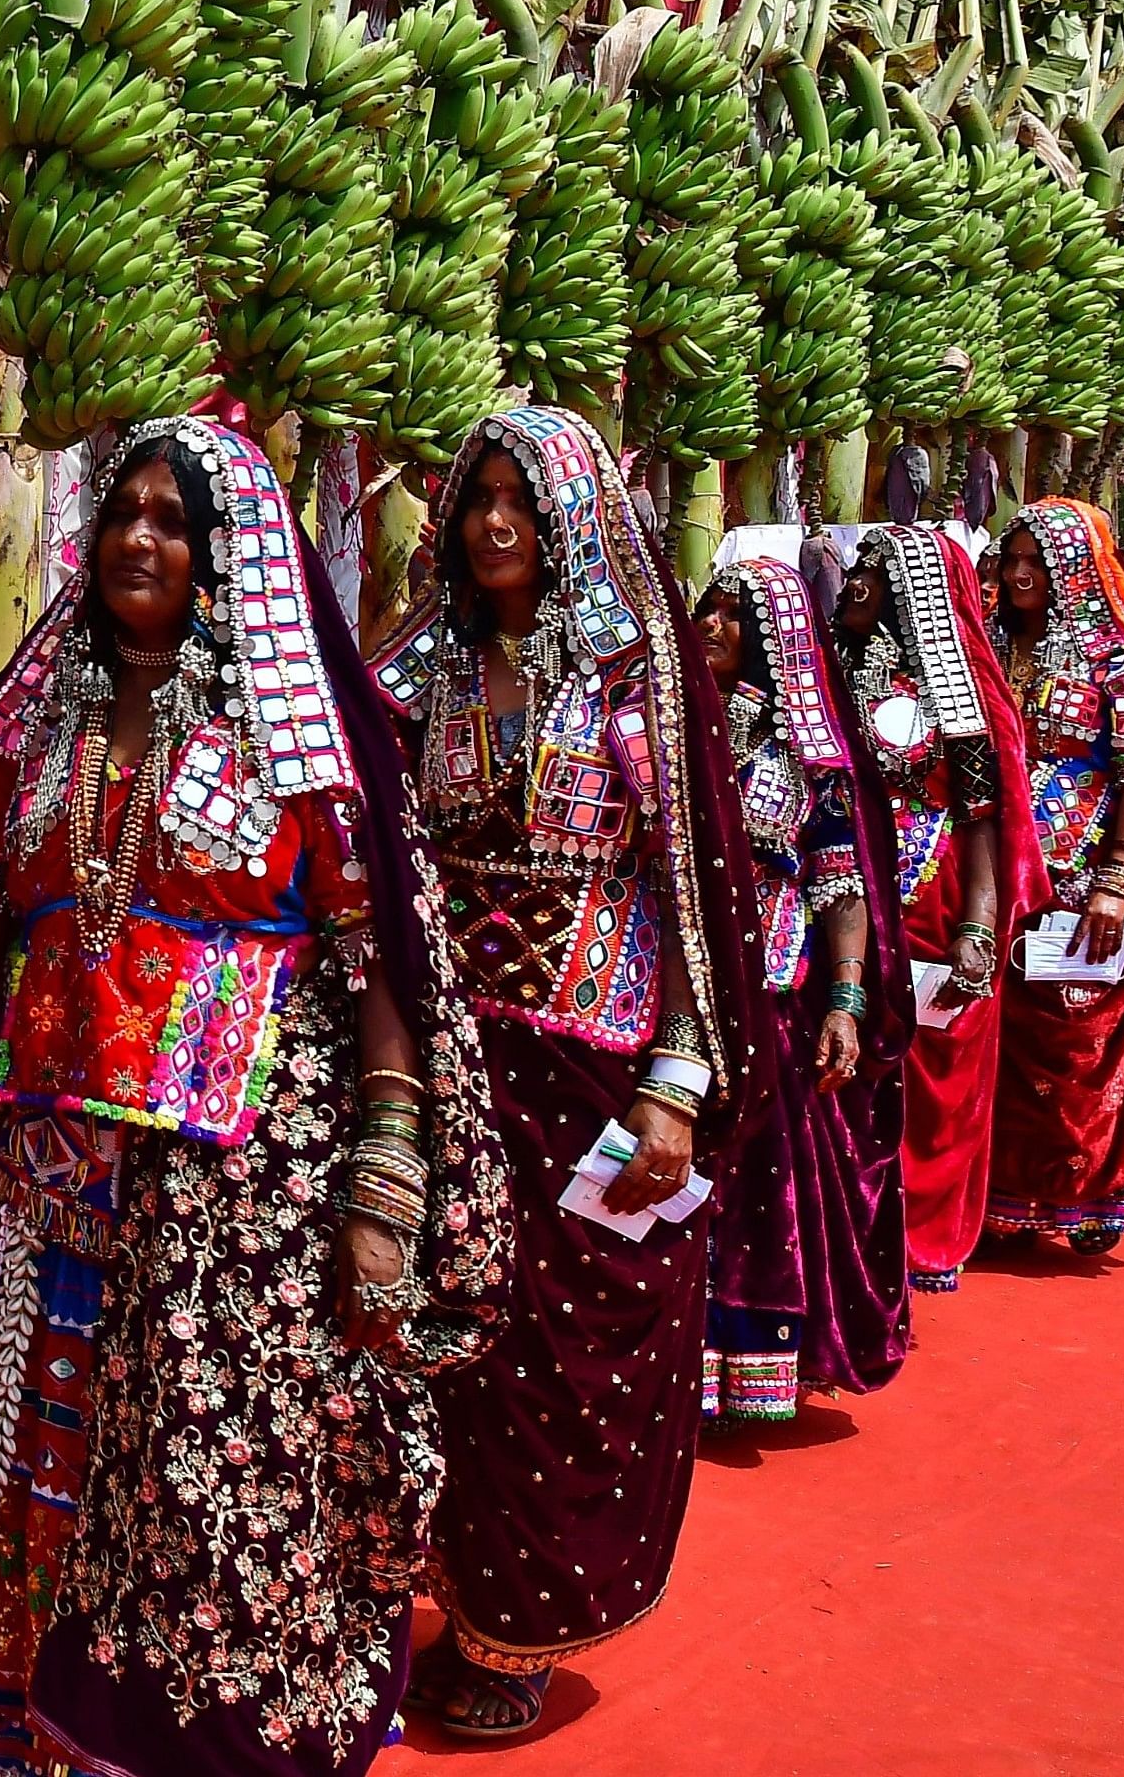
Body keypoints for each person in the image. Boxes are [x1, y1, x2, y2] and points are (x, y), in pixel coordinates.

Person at [0, 417, 502, 1777]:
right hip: (45, 1190)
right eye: (121, 515)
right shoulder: (23, 730)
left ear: (225, 562)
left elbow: (373, 961)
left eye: (171, 520)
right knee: (8, 1484)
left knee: (207, 1513)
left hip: (239, 1203)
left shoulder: (294, 740)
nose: (137, 538)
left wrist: (380, 1195)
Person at [366, 406, 774, 1739]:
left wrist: (674, 1082)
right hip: (441, 1068)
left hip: (589, 1075)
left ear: (571, 522)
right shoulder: (414, 664)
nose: (492, 523)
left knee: (558, 1365)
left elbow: (693, 885)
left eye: (518, 502)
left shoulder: (620, 679)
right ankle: (403, 1587)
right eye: (475, 496)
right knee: (425, 1347)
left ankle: (514, 1631)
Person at [688, 555, 907, 1423]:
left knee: (759, 1176)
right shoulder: (657, 729)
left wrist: (847, 998)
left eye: (734, 615)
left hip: (774, 980)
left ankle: (747, 1362)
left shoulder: (805, 755)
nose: (711, 625)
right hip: (666, 971)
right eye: (704, 609)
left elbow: (838, 877)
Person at [830, 525, 1043, 1291]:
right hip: (840, 894)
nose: (855, 583)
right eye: (855, 568)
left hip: (932, 895)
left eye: (877, 576)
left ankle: (926, 1235)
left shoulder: (956, 704)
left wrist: (979, 929)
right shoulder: (817, 675)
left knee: (935, 1075)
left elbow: (985, 817)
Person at [981, 500, 1124, 1256]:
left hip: (1074, 867)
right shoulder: (981, 644)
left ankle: (1082, 1193)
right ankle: (997, 1201)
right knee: (994, 1037)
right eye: (1011, 560)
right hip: (992, 865)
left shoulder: (1110, 658)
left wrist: (1116, 880)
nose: (1021, 574)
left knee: (1073, 1040)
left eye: (1038, 561)